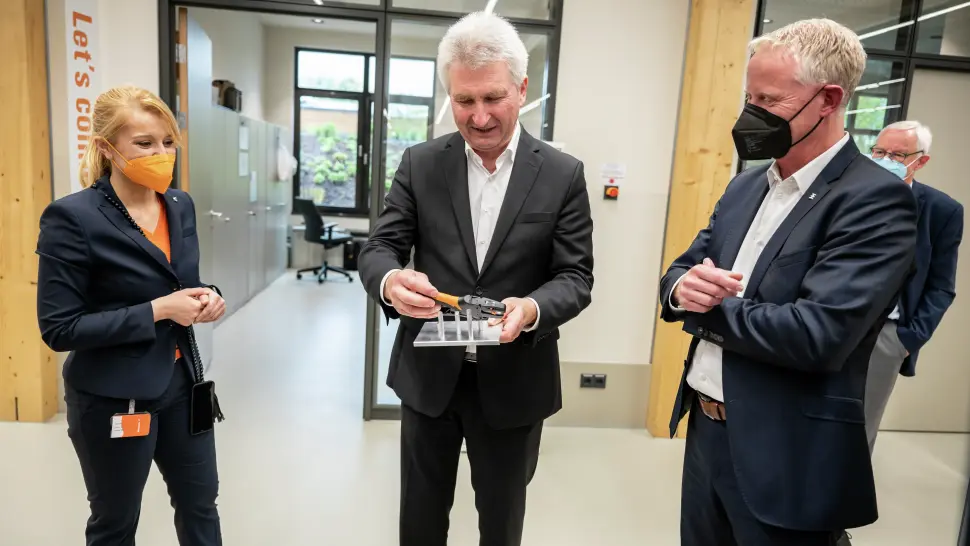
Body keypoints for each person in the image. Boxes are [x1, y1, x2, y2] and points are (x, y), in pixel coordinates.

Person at [658, 19, 918, 546]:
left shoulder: (874, 200)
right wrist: (681, 291)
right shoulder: (745, 187)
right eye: (749, 97)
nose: (751, 114)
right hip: (706, 434)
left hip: (788, 452)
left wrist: (706, 310)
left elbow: (816, 334)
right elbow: (683, 269)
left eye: (769, 100)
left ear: (828, 100)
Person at [357, 11, 594, 546]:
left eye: (493, 98)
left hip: (514, 380)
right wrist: (391, 281)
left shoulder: (562, 175)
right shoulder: (421, 164)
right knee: (420, 520)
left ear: (522, 89)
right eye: (464, 101)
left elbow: (575, 276)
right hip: (429, 376)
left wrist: (530, 309)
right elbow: (380, 248)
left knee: (501, 523)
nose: (479, 116)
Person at [36, 85, 226, 546]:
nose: (161, 153)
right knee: (116, 522)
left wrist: (209, 297)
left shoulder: (179, 205)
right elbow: (60, 328)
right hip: (112, 397)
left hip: (183, 384)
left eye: (168, 142)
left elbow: (180, 280)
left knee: (201, 505)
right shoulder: (72, 217)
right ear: (107, 148)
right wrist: (158, 310)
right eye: (144, 143)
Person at [864, 120, 963, 451]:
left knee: (859, 430)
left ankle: (843, 487)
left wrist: (907, 340)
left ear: (921, 161)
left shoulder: (942, 211)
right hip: (828, 323)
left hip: (886, 336)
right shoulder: (846, 194)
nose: (885, 159)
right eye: (879, 151)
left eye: (897, 155)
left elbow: (941, 286)